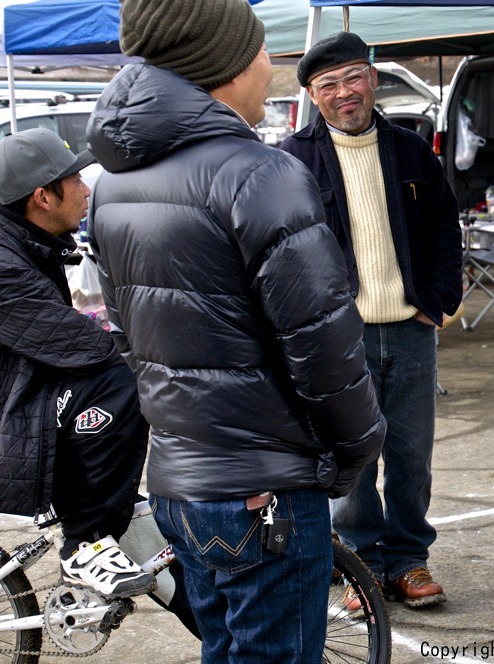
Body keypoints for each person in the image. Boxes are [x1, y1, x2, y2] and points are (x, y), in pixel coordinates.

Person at [86, 1, 386, 661]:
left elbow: (131, 340)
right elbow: (325, 347)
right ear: (222, 63)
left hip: (179, 484)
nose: (268, 65)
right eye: (259, 51)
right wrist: (357, 452)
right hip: (265, 488)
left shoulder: (113, 182)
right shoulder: (258, 172)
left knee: (225, 650)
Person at [280, 32, 463, 610]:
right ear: (313, 95)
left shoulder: (411, 149)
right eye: (328, 85)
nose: (343, 93)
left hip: (410, 327)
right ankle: (362, 564)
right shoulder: (292, 159)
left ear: (373, 78)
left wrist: (440, 302)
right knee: (353, 456)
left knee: (412, 453)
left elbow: (443, 229)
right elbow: (282, 249)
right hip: (340, 334)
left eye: (352, 77)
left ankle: (409, 559)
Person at [0, 128, 156, 600]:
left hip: (21, 389)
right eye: (74, 181)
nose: (87, 190)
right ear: (42, 197)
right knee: (119, 379)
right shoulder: (4, 264)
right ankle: (85, 541)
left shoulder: (25, 240)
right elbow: (82, 345)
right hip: (11, 411)